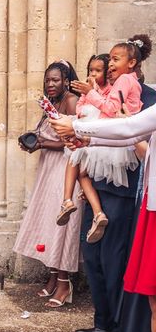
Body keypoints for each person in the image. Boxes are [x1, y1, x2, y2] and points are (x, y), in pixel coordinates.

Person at [51, 36, 156, 332]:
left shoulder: (148, 96)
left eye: (115, 60)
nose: (109, 66)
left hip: (125, 190)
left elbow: (129, 133)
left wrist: (78, 127)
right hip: (97, 183)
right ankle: (102, 322)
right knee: (93, 256)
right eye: (107, 60)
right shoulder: (103, 93)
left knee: (115, 261)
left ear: (133, 63)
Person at [12, 61, 81, 308]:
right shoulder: (51, 103)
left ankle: (64, 284)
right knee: (49, 223)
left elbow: (77, 139)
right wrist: (33, 140)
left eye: (55, 80)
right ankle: (52, 277)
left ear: (66, 81)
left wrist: (42, 144)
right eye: (47, 80)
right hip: (49, 167)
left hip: (65, 169)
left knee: (62, 226)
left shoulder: (72, 100)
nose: (50, 84)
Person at [58, 52, 143, 242]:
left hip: (99, 137)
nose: (94, 74)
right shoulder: (93, 90)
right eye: (91, 70)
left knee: (80, 171)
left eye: (98, 70)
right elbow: (80, 106)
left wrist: (90, 92)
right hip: (89, 134)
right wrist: (82, 107)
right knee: (78, 167)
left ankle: (76, 204)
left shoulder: (112, 88)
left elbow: (109, 109)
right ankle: (75, 204)